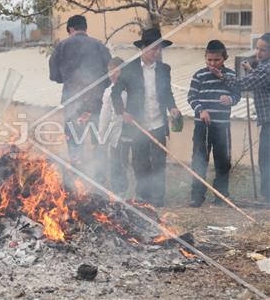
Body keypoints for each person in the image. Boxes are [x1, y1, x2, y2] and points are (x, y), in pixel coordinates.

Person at [111, 28, 181, 207]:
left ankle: (158, 199)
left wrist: (172, 107)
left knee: (158, 162)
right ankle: (144, 196)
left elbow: (167, 93)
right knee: (140, 163)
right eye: (153, 49)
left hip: (158, 122)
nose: (157, 52)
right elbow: (115, 92)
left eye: (159, 49)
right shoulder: (129, 69)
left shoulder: (165, 69)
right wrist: (122, 112)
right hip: (137, 125)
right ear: (143, 48)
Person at [49, 15, 111, 177]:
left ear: (70, 29)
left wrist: (68, 78)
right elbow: (110, 75)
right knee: (98, 142)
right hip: (96, 105)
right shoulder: (99, 46)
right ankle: (100, 181)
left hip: (73, 105)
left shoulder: (62, 46)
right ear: (85, 28)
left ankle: (77, 182)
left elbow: (54, 75)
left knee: (75, 144)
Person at [187, 40, 241, 207]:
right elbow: (191, 97)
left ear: (224, 58)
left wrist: (230, 99)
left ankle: (221, 196)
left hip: (222, 126)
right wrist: (201, 110)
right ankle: (197, 196)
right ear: (205, 58)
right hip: (202, 126)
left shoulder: (230, 76)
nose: (212, 64)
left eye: (216, 60)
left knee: (223, 162)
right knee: (199, 160)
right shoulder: (199, 75)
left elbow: (237, 95)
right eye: (209, 60)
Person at [220, 33, 270, 202]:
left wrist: (222, 76)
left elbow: (243, 84)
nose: (258, 53)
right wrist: (251, 71)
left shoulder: (267, 68)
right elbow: (260, 81)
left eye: (263, 50)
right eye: (258, 48)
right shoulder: (263, 68)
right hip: (267, 121)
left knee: (266, 160)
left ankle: (268, 196)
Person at [98, 57, 131, 194]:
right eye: (110, 71)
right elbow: (104, 115)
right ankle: (117, 192)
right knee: (115, 162)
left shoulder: (129, 89)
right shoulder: (108, 91)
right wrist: (102, 133)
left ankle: (127, 190)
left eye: (115, 71)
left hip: (129, 131)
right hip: (114, 133)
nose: (112, 74)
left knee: (125, 162)